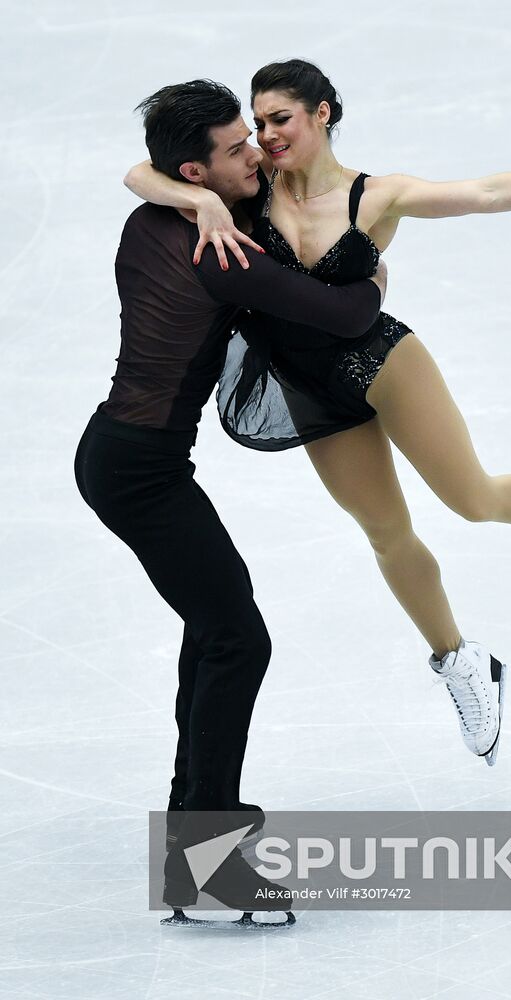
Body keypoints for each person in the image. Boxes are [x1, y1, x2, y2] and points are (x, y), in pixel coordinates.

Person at [124, 59, 511, 769]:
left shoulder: (375, 197)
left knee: (473, 498)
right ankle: (462, 661)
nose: (266, 135)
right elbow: (141, 173)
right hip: (309, 387)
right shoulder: (249, 190)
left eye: (281, 118)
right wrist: (205, 204)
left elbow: (487, 192)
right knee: (385, 533)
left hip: (380, 363)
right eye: (258, 123)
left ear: (322, 113)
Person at [75, 78, 387, 912]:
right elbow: (345, 316)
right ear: (195, 169)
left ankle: (193, 845)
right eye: (236, 149)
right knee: (238, 640)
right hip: (139, 471)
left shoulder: (155, 215)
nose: (256, 151)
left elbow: (139, 178)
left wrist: (188, 194)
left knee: (216, 630)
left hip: (123, 455)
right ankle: (209, 860)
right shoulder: (222, 254)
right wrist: (375, 270)